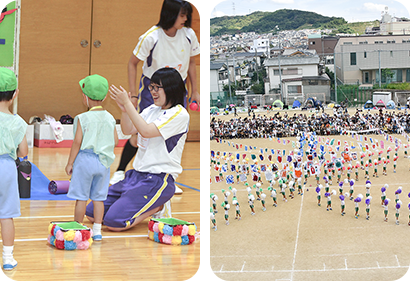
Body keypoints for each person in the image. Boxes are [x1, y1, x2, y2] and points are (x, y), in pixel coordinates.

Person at [110, 0, 201, 193]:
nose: (185, 19)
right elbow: (132, 63)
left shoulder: (189, 35)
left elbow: (192, 63)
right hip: (154, 90)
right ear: (170, 14)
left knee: (173, 136)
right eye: (181, 14)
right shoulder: (151, 37)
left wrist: (195, 91)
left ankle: (166, 178)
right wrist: (133, 94)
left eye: (187, 15)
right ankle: (120, 170)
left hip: (178, 90)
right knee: (140, 133)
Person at [86, 68, 190, 231]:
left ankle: (158, 207)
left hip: (158, 178)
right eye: (151, 87)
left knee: (114, 222)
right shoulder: (151, 110)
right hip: (135, 175)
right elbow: (128, 130)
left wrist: (129, 104)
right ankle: (145, 204)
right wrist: (124, 110)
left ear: (171, 88)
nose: (153, 92)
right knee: (92, 213)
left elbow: (146, 131)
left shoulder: (179, 114)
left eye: (157, 88)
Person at [65, 74, 118, 241]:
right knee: (98, 198)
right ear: (105, 96)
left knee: (81, 198)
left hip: (85, 161)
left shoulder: (83, 118)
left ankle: (78, 228)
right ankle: (97, 230)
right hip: (103, 162)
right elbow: (115, 140)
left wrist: (70, 162)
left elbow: (77, 142)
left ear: (84, 97)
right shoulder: (110, 117)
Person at [0, 68, 28, 270]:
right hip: (7, 168)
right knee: (6, 214)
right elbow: (23, 153)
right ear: (15, 94)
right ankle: (8, 258)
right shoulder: (18, 122)